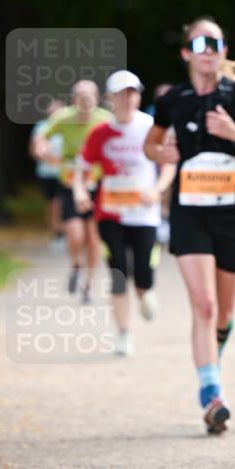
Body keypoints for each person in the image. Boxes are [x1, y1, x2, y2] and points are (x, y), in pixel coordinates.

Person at [143, 16, 235, 434]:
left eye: (216, 42)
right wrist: (159, 154)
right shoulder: (174, 100)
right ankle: (211, 394)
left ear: (223, 51)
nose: (208, 49)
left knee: (223, 313)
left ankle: (212, 364)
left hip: (233, 214)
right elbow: (150, 143)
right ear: (186, 52)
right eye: (200, 42)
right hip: (190, 213)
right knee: (202, 305)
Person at [73, 71, 176, 356]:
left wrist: (158, 188)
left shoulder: (151, 127)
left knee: (142, 275)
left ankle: (146, 289)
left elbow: (169, 164)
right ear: (109, 99)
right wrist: (80, 192)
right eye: (120, 94)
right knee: (118, 272)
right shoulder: (100, 133)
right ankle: (124, 333)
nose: (128, 99)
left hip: (144, 213)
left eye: (133, 93)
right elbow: (82, 171)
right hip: (110, 213)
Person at [32, 80, 111, 303]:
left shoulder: (105, 119)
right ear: (74, 98)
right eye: (80, 96)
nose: (85, 100)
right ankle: (76, 262)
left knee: (94, 238)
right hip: (68, 181)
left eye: (89, 96)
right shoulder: (62, 117)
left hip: (96, 183)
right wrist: (42, 148)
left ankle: (88, 285)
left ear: (96, 98)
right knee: (75, 233)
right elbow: (41, 137)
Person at [28, 97, 65, 253]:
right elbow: (33, 150)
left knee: (60, 203)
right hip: (46, 173)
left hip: (64, 173)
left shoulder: (67, 127)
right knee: (52, 204)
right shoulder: (41, 127)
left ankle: (62, 233)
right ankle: (56, 233)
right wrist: (43, 156)